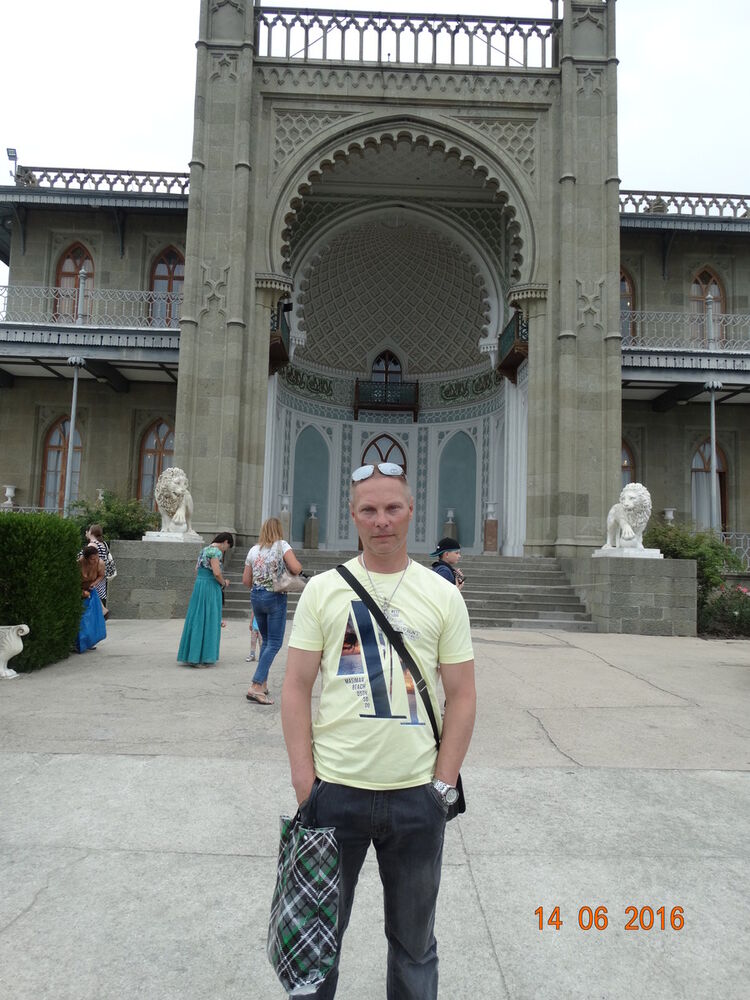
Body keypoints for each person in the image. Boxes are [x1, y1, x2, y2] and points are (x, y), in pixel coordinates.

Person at [281, 462, 476, 999]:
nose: (381, 520)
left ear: (411, 511)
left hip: (416, 797)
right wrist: (304, 782)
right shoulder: (323, 591)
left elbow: (462, 695)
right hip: (334, 793)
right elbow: (295, 687)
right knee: (315, 945)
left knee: (414, 947)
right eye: (369, 509)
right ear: (353, 515)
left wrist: (443, 784)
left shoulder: (443, 595)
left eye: (392, 508)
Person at [242, 517, 302, 705]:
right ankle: (256, 685)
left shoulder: (253, 550)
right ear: (278, 530)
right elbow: (296, 568)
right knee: (275, 643)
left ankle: (263, 683)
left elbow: (246, 581)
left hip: (256, 596)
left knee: (267, 641)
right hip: (275, 597)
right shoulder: (282, 546)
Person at [177, 532, 233, 667]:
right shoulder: (215, 552)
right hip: (209, 587)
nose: (226, 549)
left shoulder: (204, 550)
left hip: (199, 585)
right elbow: (216, 573)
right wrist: (224, 583)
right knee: (209, 619)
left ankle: (191, 654)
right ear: (225, 542)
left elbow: (197, 568)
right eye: (228, 546)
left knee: (197, 617)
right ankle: (202, 657)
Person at [76, 544, 107, 653]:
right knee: (82, 619)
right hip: (78, 590)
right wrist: (81, 592)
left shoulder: (100, 563)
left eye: (97, 558)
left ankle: (89, 641)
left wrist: (94, 584)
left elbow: (101, 575)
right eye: (92, 559)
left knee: (91, 618)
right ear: (86, 558)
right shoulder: (79, 563)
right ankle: (78, 642)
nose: (95, 561)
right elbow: (73, 580)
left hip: (90, 590)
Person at [86, 524, 111, 617]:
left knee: (92, 591)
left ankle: (102, 610)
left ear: (91, 532)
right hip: (101, 572)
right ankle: (101, 611)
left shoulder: (92, 544)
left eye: (89, 531)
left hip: (94, 573)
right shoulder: (102, 544)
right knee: (96, 593)